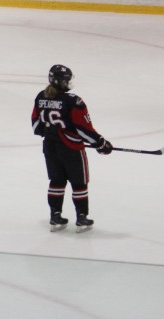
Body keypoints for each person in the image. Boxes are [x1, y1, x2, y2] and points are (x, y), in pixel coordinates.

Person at [30, 64, 112, 233]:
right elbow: (83, 129)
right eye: (66, 80)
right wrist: (101, 143)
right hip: (71, 148)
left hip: (50, 147)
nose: (68, 83)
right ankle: (82, 218)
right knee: (79, 183)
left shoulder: (40, 97)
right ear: (60, 81)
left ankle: (55, 216)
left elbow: (36, 127)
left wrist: (53, 131)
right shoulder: (73, 101)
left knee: (56, 181)